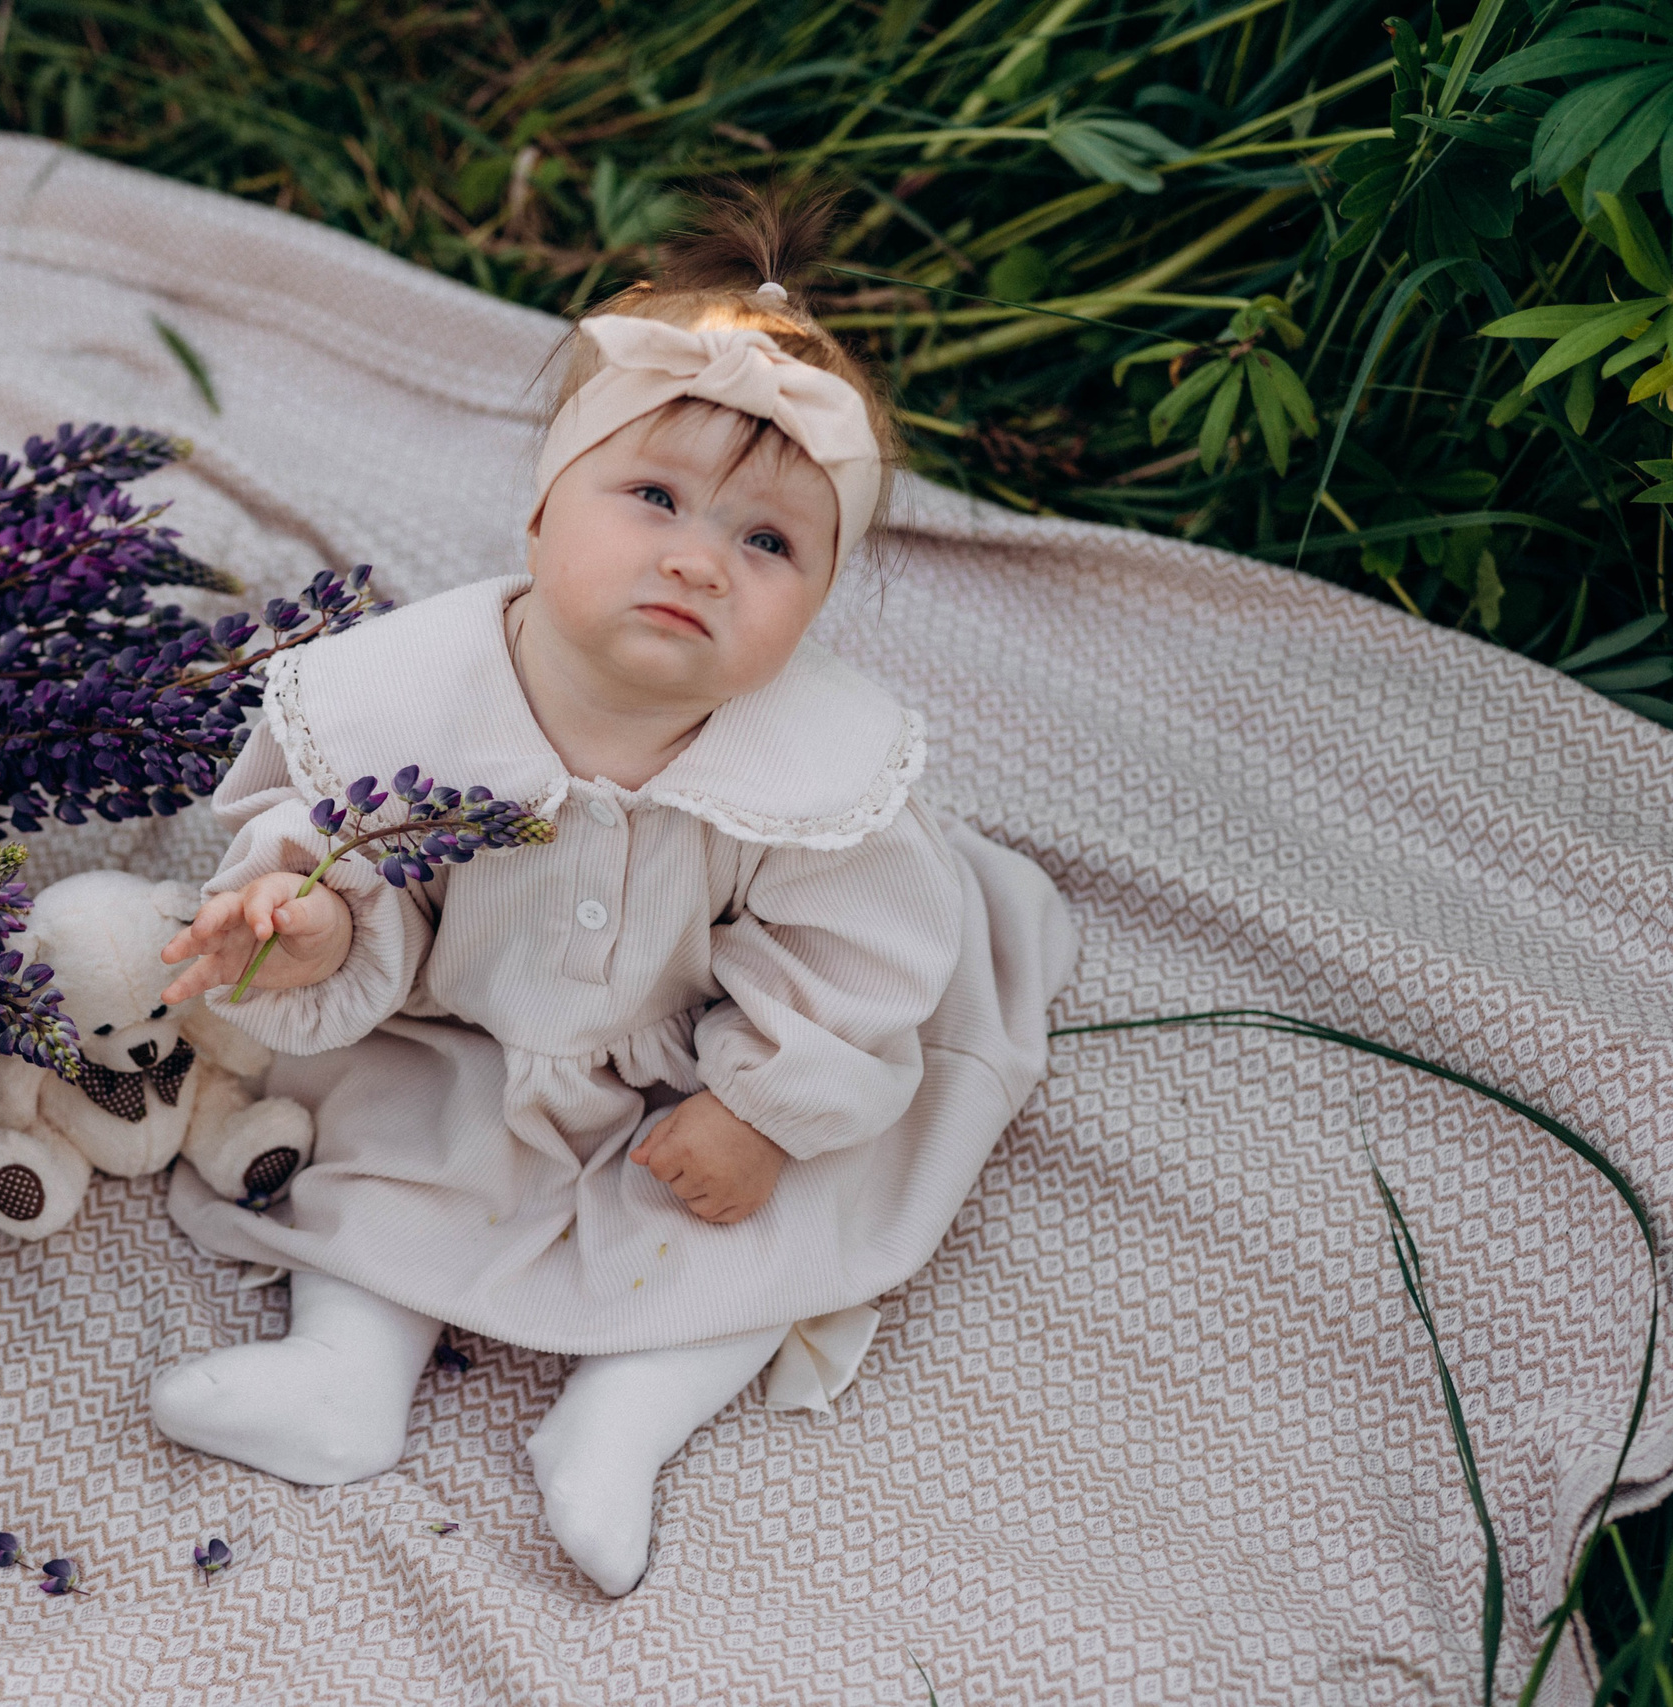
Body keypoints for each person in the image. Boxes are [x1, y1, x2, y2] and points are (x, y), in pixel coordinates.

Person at [148, 186, 1080, 1598]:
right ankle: (343, 1372)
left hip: (692, 1068)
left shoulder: (815, 774)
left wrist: (762, 1108)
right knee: (383, 1151)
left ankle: (626, 1420)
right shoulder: (410, 697)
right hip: (462, 1036)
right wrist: (313, 922)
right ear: (539, 514)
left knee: (786, 1217)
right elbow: (340, 846)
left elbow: (860, 956)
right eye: (654, 498)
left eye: (770, 543)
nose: (700, 558)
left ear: (818, 605)